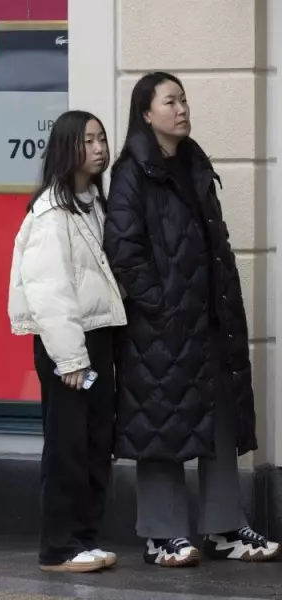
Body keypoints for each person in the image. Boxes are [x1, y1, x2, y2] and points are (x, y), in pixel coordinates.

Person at [104, 72, 280, 567]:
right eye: (170, 101)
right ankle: (161, 536)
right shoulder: (131, 173)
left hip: (208, 321)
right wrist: (159, 306)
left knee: (219, 419)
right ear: (146, 113)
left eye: (184, 100)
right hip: (157, 328)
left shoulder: (193, 164)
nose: (181, 109)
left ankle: (225, 529)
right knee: (159, 423)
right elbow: (123, 252)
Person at [8, 110, 125, 573]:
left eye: (101, 139)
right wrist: (71, 359)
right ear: (66, 148)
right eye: (88, 141)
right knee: (67, 447)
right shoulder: (52, 213)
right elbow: (49, 292)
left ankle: (84, 538)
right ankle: (58, 546)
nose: (99, 148)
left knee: (96, 443)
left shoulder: (93, 201)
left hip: (96, 338)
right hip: (69, 348)